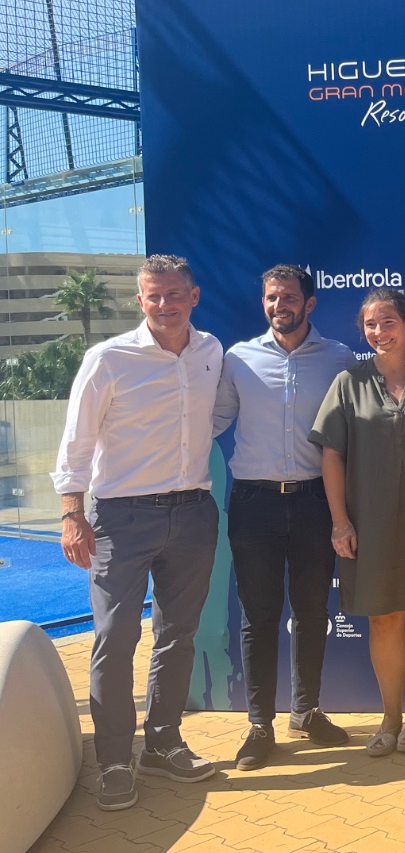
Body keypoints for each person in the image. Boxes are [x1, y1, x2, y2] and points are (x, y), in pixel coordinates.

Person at [53, 255, 224, 811]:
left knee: (178, 635)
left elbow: (214, 417)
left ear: (193, 296)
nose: (164, 305)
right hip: (120, 520)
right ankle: (113, 760)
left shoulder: (210, 351)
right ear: (140, 300)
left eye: (174, 294)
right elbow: (76, 440)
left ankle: (162, 743)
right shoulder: (108, 358)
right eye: (154, 296)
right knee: (115, 637)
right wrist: (72, 513)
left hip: (193, 512)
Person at [212, 264, 357, 770]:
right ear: (264, 302)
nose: (280, 306)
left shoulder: (339, 358)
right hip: (254, 504)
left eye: (289, 297)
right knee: (258, 617)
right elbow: (213, 419)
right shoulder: (238, 359)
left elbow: (353, 431)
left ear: (309, 303)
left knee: (312, 612)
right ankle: (259, 725)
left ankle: (306, 711)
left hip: (316, 500)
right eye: (272, 297)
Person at [313, 289, 405, 756]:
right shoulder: (348, 382)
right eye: (370, 325)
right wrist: (340, 522)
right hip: (368, 521)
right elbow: (331, 455)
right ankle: (391, 717)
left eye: (388, 321)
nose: (379, 332)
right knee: (384, 618)